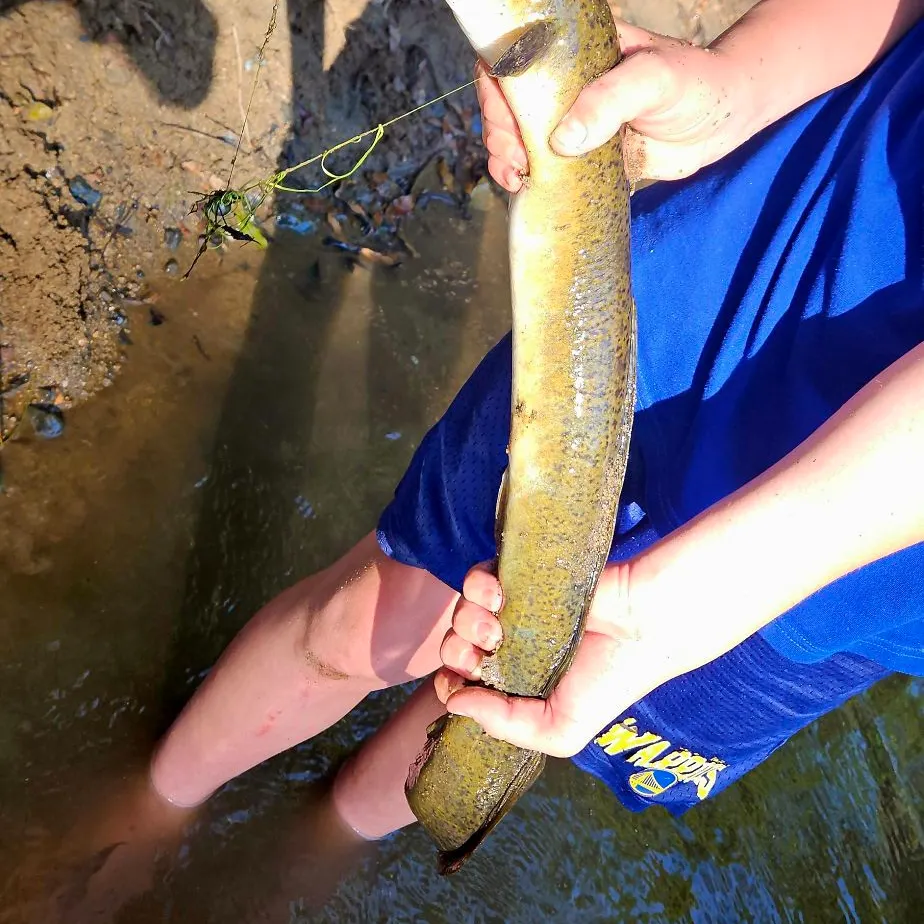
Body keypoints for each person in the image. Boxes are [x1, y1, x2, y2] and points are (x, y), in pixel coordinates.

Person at [151, 0, 924, 845]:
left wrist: (695, 595)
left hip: (851, 598)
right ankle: (144, 815)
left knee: (500, 728)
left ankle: (327, 841)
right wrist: (730, 87)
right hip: (650, 338)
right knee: (365, 626)